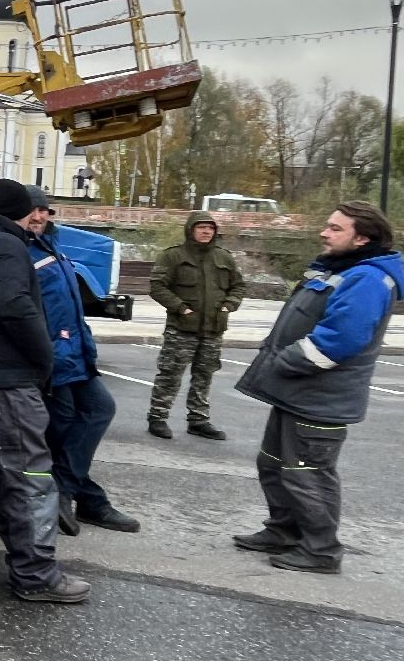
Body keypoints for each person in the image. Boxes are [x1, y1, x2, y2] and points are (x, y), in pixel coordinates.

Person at [233, 201, 403, 574]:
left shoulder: (368, 279)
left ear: (362, 239)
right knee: (274, 464)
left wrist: (285, 362)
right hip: (297, 395)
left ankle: (321, 550)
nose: (324, 233)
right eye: (327, 226)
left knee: (307, 473)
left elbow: (340, 339)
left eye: (335, 229)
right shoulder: (342, 269)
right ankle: (284, 531)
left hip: (319, 399)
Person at [0, 178, 90, 604]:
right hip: (9, 381)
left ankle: (28, 565)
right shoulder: (7, 246)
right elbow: (15, 305)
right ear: (18, 209)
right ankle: (35, 575)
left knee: (12, 478)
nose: (40, 216)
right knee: (30, 478)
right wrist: (44, 356)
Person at [23, 187, 140, 535]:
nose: (40, 216)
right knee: (64, 425)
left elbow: (69, 307)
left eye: (45, 210)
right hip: (53, 359)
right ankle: (86, 498)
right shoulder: (19, 252)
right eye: (33, 210)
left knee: (99, 409)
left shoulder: (51, 246)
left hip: (75, 353)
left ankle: (67, 489)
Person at [146, 211, 245, 440]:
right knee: (170, 374)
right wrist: (181, 308)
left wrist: (229, 305)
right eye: (201, 227)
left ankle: (198, 420)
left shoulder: (224, 258)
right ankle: (158, 417)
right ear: (191, 229)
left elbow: (238, 286)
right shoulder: (173, 256)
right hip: (181, 328)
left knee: (204, 375)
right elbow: (158, 287)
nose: (206, 232)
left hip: (213, 329)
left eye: (210, 228)